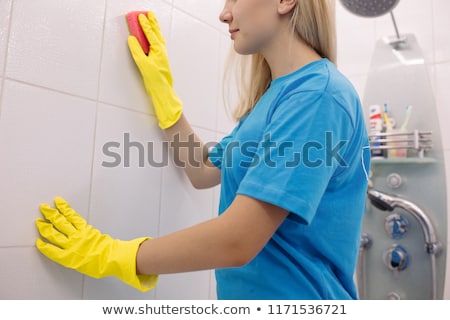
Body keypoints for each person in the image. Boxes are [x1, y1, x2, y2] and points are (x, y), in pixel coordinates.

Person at [35, 0, 370, 300]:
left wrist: (114, 255)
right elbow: (202, 169)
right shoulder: (278, 96)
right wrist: (163, 94)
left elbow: (238, 240)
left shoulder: (317, 95)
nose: (224, 13)